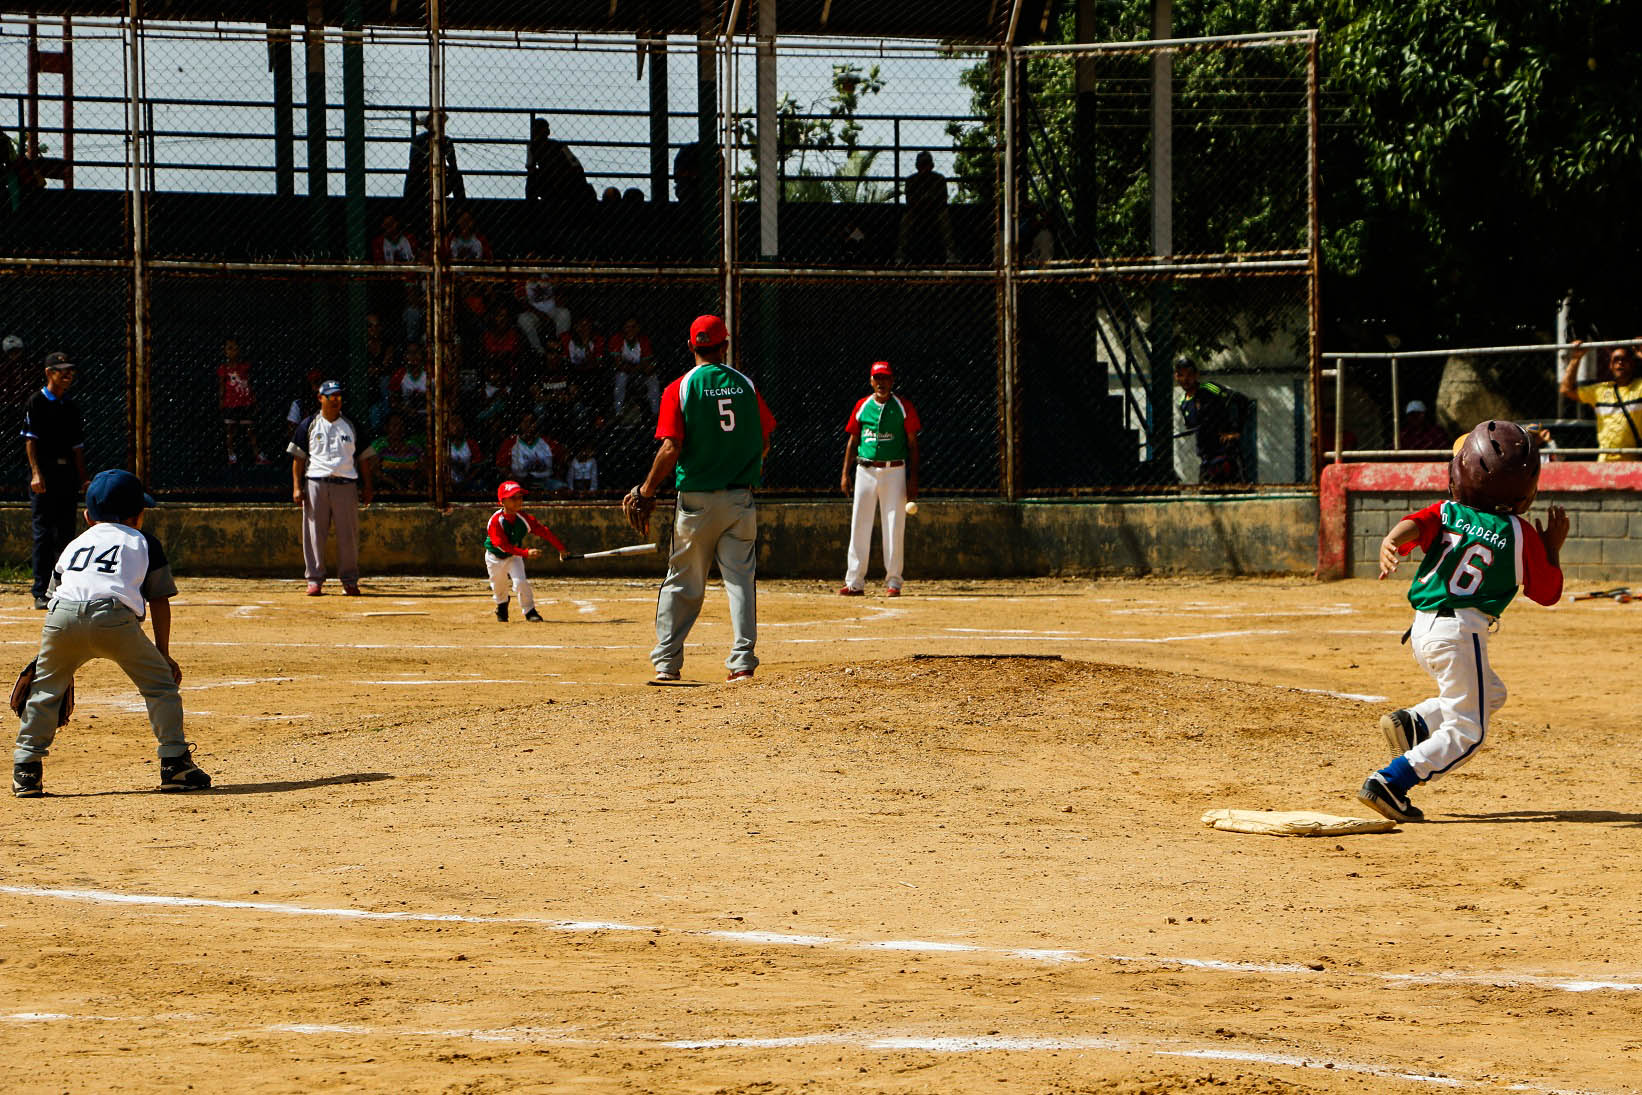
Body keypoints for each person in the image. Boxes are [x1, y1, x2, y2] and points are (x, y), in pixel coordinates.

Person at [1357, 420, 1566, 824]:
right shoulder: (1521, 534)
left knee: (1492, 692)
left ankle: (1414, 723)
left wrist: (1391, 541)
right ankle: (1391, 781)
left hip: (1424, 628)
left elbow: (1415, 523)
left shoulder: (1449, 511)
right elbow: (1548, 594)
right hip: (1460, 632)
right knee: (1469, 731)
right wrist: (1551, 549)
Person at [12, 469, 210, 798]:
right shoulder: (143, 541)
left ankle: (26, 768)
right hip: (114, 618)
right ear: (138, 516)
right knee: (160, 685)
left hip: (61, 617)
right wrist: (163, 653)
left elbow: (53, 596)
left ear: (88, 516)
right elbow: (159, 599)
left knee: (46, 690)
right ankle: (175, 764)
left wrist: (57, 656)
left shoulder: (75, 543)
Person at [623, 314, 776, 684]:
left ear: (692, 346)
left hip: (695, 500)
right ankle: (742, 662)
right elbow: (765, 440)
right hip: (740, 498)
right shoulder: (745, 385)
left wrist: (646, 490)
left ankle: (667, 664)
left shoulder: (681, 387)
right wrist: (738, 467)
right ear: (724, 345)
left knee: (683, 580)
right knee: (740, 580)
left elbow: (671, 447)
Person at [839, 361, 922, 597]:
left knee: (894, 525)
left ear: (892, 381)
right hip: (865, 470)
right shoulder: (862, 406)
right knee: (859, 524)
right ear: (871, 381)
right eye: (877, 378)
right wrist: (846, 473)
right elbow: (853, 441)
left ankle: (894, 581)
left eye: (885, 378)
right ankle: (854, 581)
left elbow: (913, 444)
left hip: (894, 470)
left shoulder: (902, 406)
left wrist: (912, 478)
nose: (881, 383)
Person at [289, 379, 374, 597]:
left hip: (346, 483)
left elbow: (364, 458)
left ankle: (349, 580)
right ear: (320, 399)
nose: (336, 400)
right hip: (316, 482)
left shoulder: (351, 424)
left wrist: (368, 487)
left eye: (338, 396)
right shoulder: (308, 424)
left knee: (348, 535)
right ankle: (314, 579)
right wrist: (297, 487)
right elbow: (298, 459)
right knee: (314, 533)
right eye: (331, 396)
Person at [22, 351, 89, 610]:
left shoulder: (70, 405)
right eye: (62, 370)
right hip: (46, 474)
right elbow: (30, 440)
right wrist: (36, 473)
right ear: (49, 373)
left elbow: (77, 446)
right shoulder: (36, 402)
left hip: (67, 475)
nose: (68, 375)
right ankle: (40, 590)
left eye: (70, 370)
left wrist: (83, 478)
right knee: (43, 533)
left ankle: (63, 587)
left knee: (66, 533)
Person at [485, 479, 567, 623]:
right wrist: (525, 553)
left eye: (520, 497)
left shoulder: (524, 518)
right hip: (494, 557)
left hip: (513, 556)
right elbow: (502, 545)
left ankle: (530, 611)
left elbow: (544, 531)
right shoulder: (495, 521)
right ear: (502, 501)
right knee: (498, 585)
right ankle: (502, 606)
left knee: (521, 582)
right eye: (512, 498)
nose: (518, 501)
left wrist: (560, 548)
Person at [1174, 354, 1251, 485]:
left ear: (1196, 375)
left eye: (1189, 374)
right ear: (1176, 377)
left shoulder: (1209, 388)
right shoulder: (1183, 402)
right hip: (1206, 460)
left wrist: (1235, 430)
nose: (1186, 379)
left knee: (1236, 495)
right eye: (1181, 375)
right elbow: (1194, 427)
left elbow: (1241, 400)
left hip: (1226, 455)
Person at [1560, 339, 1642, 461]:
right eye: (1616, 360)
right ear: (1610, 366)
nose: (1620, 363)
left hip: (1633, 460)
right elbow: (1566, 389)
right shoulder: (1600, 390)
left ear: (1633, 363)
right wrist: (1576, 359)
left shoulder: (1639, 387)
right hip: (1605, 460)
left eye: (1624, 359)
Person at [402, 110, 464, 225]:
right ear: (428, 125)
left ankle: (462, 209)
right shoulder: (419, 140)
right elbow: (415, 163)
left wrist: (444, 168)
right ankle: (409, 211)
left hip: (440, 178)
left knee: (457, 176)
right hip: (422, 178)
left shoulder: (446, 140)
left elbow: (453, 164)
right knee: (412, 176)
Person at [895, 151, 958, 264]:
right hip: (916, 211)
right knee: (905, 219)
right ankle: (900, 253)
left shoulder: (939, 179)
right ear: (917, 166)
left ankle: (950, 252)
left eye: (926, 164)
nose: (924, 167)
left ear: (931, 165)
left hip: (935, 211)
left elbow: (942, 200)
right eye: (922, 165)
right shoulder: (911, 180)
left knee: (944, 217)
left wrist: (926, 201)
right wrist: (926, 200)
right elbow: (910, 201)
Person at [218, 337, 269, 466]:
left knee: (250, 430)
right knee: (230, 430)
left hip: (245, 402)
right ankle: (231, 455)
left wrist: (254, 400)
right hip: (230, 403)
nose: (232, 351)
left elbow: (250, 384)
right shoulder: (224, 368)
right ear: (225, 351)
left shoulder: (245, 367)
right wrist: (221, 401)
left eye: (235, 348)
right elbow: (222, 386)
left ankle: (258, 455)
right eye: (229, 348)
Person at [524, 118, 589, 208]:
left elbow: (530, 167)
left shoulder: (534, 147)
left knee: (532, 179)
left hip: (554, 180)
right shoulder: (557, 145)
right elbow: (576, 165)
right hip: (563, 180)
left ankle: (531, 205)